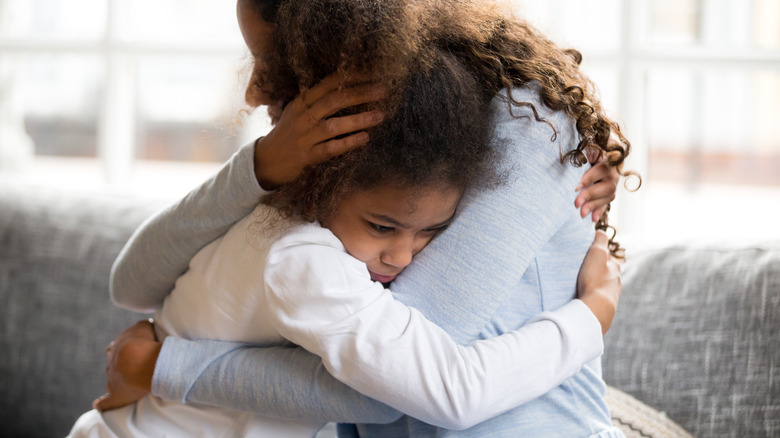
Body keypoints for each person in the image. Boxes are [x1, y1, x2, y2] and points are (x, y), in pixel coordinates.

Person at [93, 0, 631, 436]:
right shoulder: (344, 163)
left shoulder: (530, 122)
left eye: (272, 61)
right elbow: (132, 282)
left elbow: (399, 385)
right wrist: (258, 167)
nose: (254, 91)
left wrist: (163, 368)